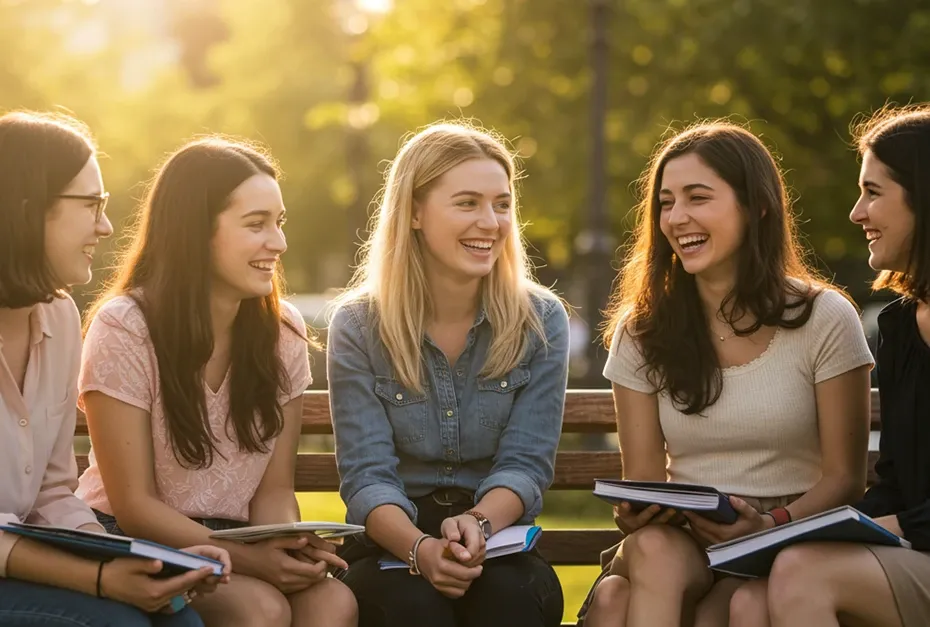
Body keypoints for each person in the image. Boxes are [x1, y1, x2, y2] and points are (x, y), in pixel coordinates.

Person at [577, 122, 874, 627]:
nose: (677, 218)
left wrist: (768, 524)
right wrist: (634, 510)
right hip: (681, 538)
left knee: (705, 607)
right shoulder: (642, 330)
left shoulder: (824, 317)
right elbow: (643, 478)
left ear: (756, 206)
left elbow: (845, 478)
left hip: (788, 536)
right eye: (666, 203)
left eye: (698, 197)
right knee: (641, 563)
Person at [75, 137, 358, 627]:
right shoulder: (125, 327)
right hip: (134, 541)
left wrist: (287, 548)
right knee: (260, 610)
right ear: (196, 232)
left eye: (279, 222)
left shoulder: (282, 331)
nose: (278, 242)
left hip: (241, 538)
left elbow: (273, 492)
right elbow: (134, 506)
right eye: (256, 224)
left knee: (332, 603)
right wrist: (253, 562)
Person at [327, 122, 568, 627]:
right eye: (467, 203)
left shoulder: (541, 320)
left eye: (502, 204)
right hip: (392, 540)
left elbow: (526, 464)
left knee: (511, 599)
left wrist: (477, 523)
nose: (490, 222)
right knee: (410, 606)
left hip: (495, 534)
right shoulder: (358, 325)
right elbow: (368, 476)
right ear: (414, 212)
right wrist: (420, 549)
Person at [0, 111, 229, 626]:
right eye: (91, 205)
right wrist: (99, 579)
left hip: (18, 570)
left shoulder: (59, 318)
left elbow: (52, 493)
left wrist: (133, 560)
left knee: (178, 618)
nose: (105, 225)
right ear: (27, 209)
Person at [730, 106, 930, 627]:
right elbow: (897, 482)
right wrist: (794, 528)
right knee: (751, 599)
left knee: (802, 572)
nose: (857, 213)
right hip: (917, 557)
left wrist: (890, 526)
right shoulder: (901, 326)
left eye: (873, 192)